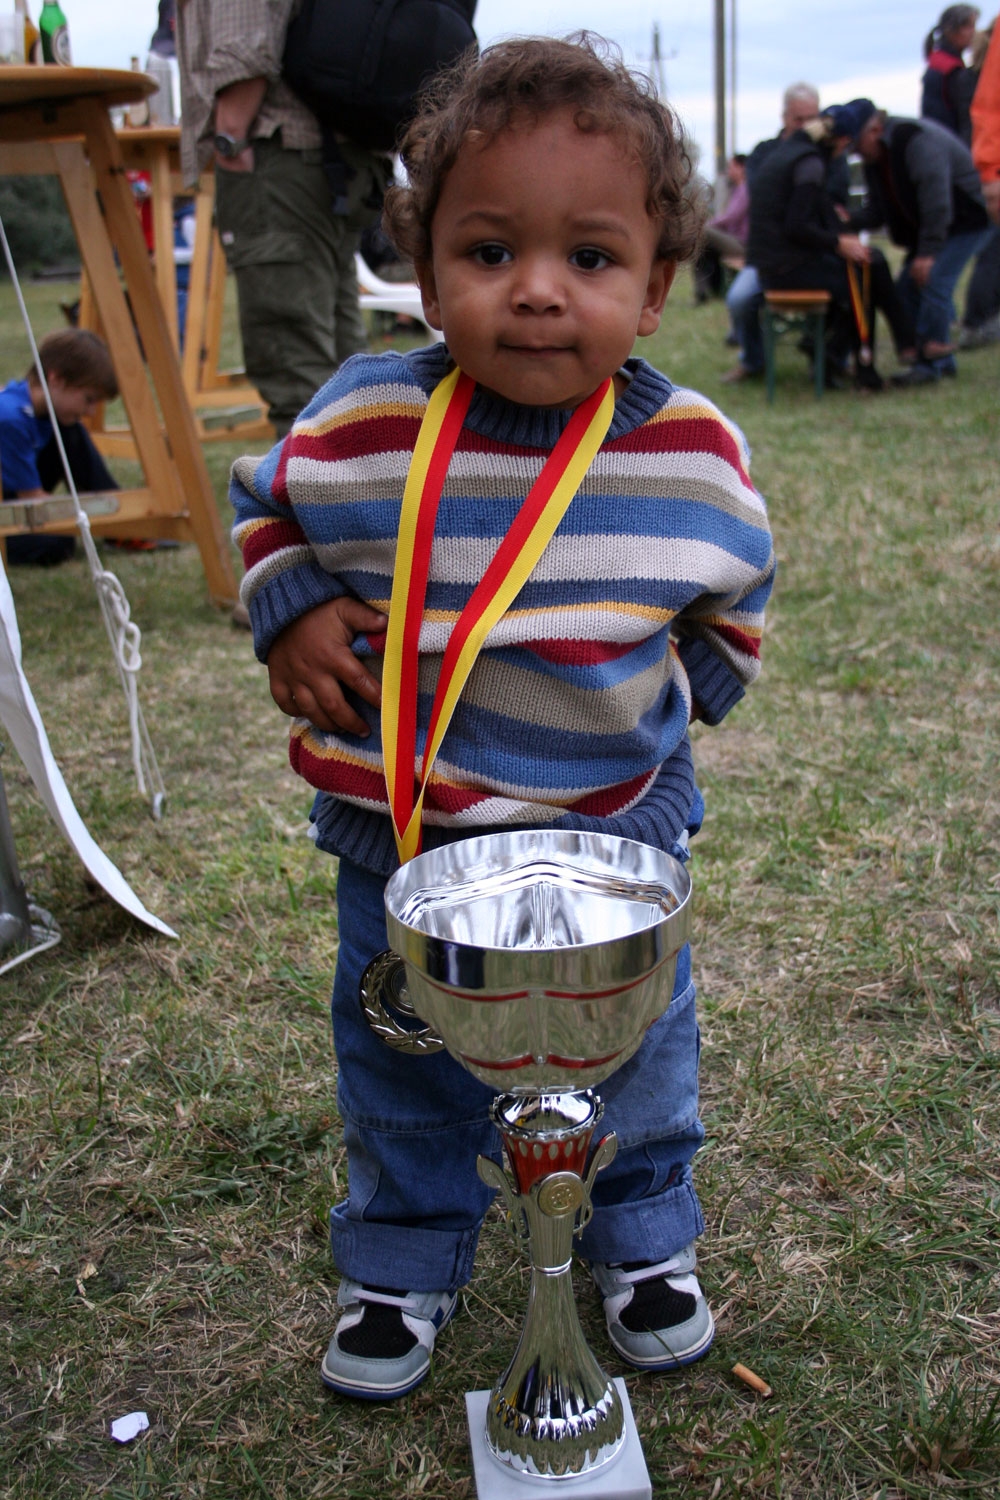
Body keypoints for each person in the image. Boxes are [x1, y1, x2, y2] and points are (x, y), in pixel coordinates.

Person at [230, 33, 775, 1401]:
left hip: (614, 845)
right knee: (399, 1057)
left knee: (643, 1057)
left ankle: (645, 1237)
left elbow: (736, 595)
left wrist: (673, 705)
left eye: (590, 259)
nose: (537, 293)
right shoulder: (364, 422)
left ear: (656, 288)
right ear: (424, 272)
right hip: (403, 844)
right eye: (488, 253)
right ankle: (402, 1258)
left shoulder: (693, 455)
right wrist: (290, 603)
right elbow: (263, 501)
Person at [175, 0, 390, 440]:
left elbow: (245, 36)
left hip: (281, 151)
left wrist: (230, 134)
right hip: (343, 155)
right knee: (343, 357)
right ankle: (371, 497)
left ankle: (312, 504)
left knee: (294, 364)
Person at [744, 103, 917, 390]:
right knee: (865, 275)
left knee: (870, 262)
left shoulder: (792, 152)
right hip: (784, 269)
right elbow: (796, 225)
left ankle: (845, 355)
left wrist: (840, 237)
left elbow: (810, 214)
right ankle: (878, 359)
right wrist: (838, 243)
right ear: (844, 142)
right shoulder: (810, 163)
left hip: (775, 262)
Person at [849, 100, 993, 384]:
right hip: (933, 228)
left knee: (934, 281)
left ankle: (932, 365)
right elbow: (878, 210)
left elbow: (937, 201)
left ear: (875, 130)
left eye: (856, 142)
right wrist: (846, 221)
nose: (854, 151)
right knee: (905, 289)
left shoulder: (915, 141)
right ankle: (936, 362)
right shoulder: (875, 161)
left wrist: (928, 253)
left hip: (965, 220)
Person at [722, 82, 846, 383]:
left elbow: (833, 203)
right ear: (785, 117)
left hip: (811, 252)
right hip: (770, 254)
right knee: (740, 300)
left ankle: (828, 358)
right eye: (798, 119)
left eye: (811, 118)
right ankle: (753, 360)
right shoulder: (765, 153)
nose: (805, 125)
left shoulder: (830, 157)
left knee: (843, 287)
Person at [0, 330, 117, 566]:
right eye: (89, 399)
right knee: (56, 543)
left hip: (15, 497)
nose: (91, 411)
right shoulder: (10, 417)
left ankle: (117, 517)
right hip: (8, 508)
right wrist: (82, 515)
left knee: (69, 427)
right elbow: (32, 500)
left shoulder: (42, 413)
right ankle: (115, 515)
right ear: (56, 379)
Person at [693, 154, 749, 304]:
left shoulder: (745, 189)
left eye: (731, 167)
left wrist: (710, 224)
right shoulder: (737, 189)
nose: (728, 171)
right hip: (734, 240)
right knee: (703, 246)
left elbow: (731, 217)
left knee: (703, 232)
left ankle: (704, 291)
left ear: (741, 168)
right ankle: (706, 290)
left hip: (742, 245)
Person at [922, 5, 981, 143]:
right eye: (968, 26)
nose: (973, 32)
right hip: (950, 144)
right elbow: (964, 118)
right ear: (951, 31)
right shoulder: (950, 69)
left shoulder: (938, 62)